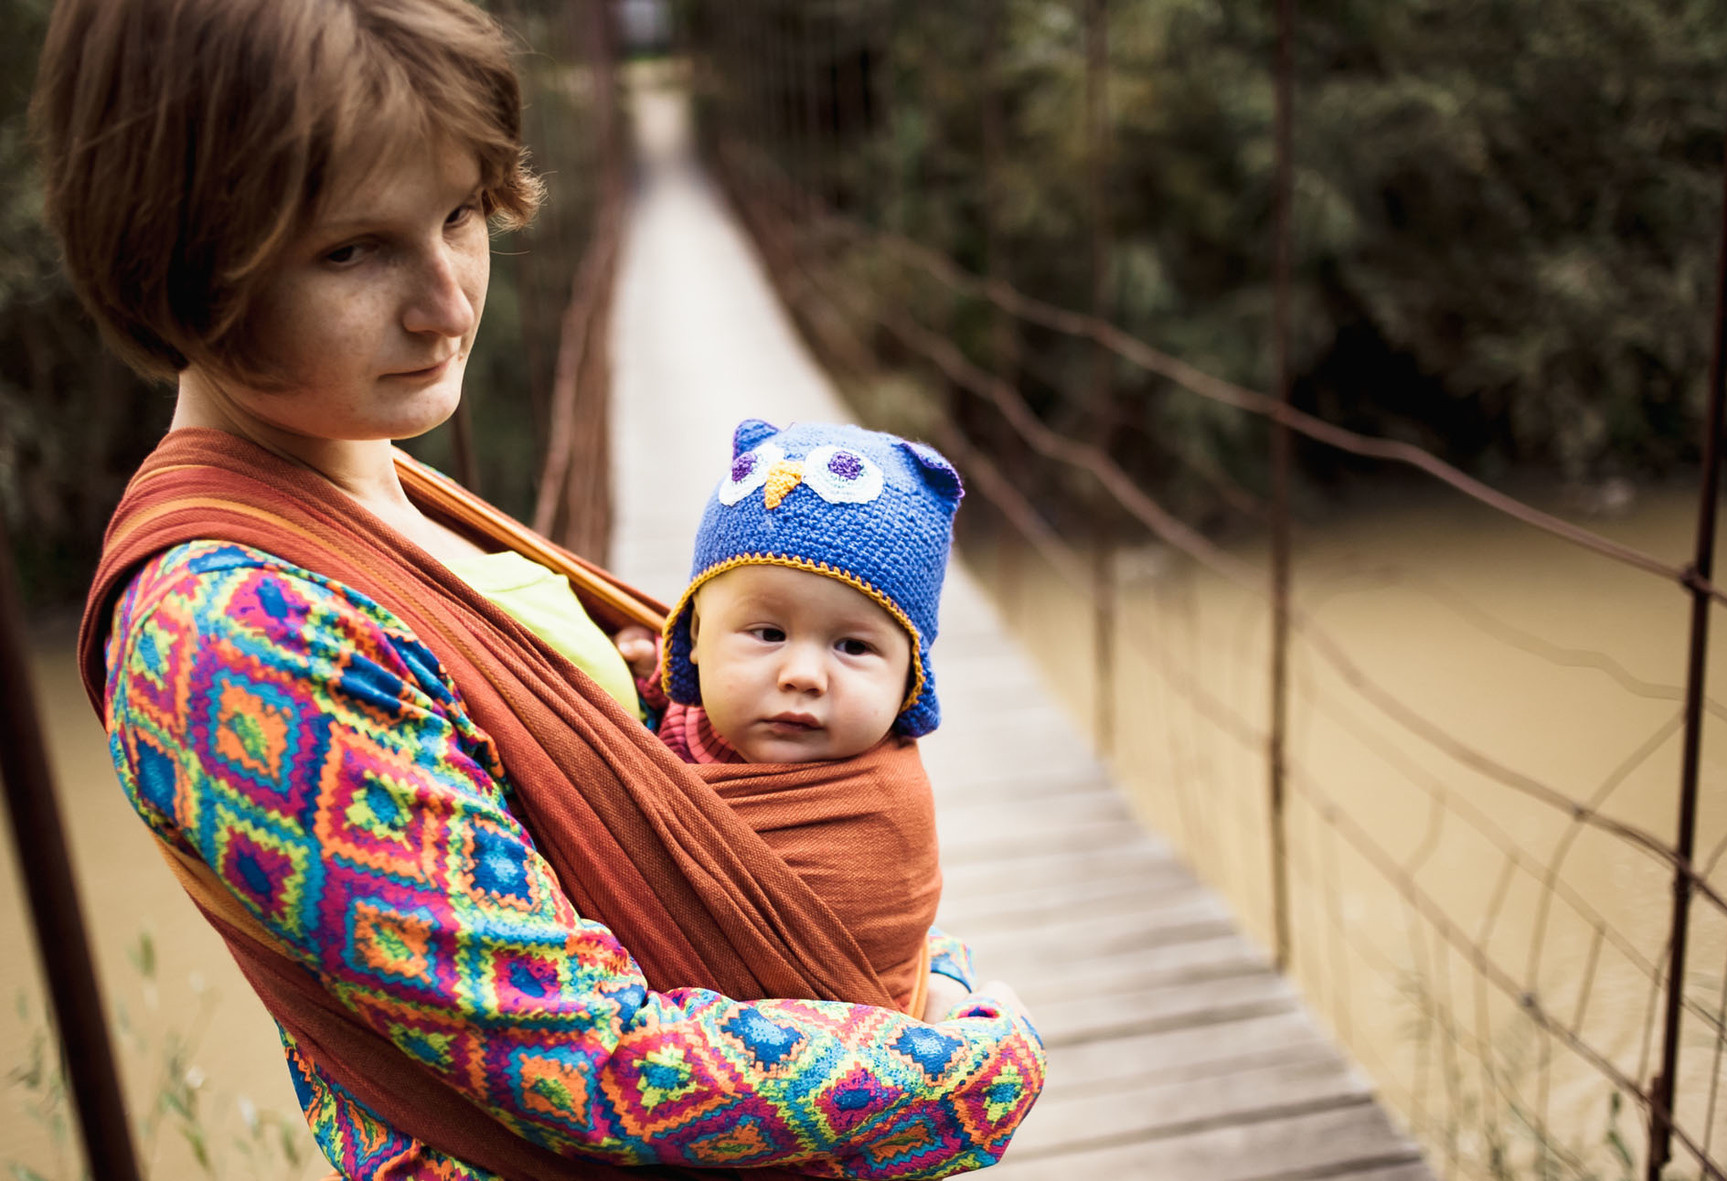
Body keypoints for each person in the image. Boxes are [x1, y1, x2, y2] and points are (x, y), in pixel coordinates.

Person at [37, 1, 1043, 1176]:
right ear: (179, 253)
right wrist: (971, 1067)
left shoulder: (375, 476)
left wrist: (920, 961)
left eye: (459, 213)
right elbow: (590, 1064)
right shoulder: (227, 631)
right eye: (350, 250)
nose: (449, 302)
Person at [647, 418, 966, 1020]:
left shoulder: (880, 812)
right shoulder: (684, 717)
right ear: (695, 638)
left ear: (910, 678)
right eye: (767, 633)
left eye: (853, 647)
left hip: (838, 1052)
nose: (803, 675)